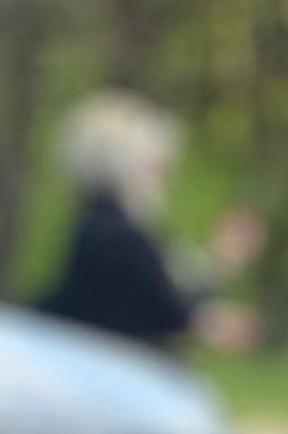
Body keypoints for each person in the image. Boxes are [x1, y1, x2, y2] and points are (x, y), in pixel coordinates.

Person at [34, 95, 263, 351]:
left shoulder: (98, 227)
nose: (164, 183)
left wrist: (220, 263)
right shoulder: (119, 237)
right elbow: (169, 308)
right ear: (126, 169)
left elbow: (170, 291)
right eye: (156, 169)